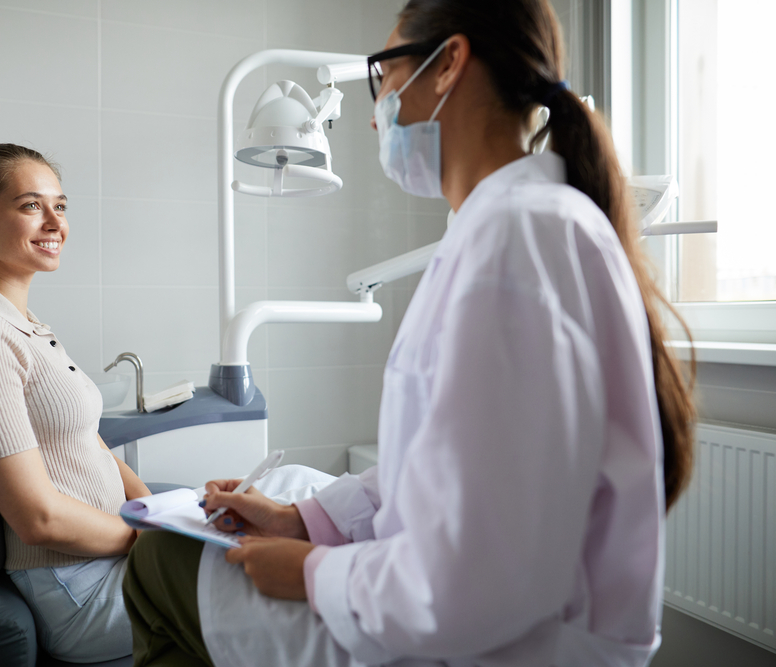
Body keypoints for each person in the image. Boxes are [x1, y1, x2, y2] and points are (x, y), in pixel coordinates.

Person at [121, 1, 696, 665]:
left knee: (159, 560)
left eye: (381, 76)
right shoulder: (502, 228)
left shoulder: (517, 240)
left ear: (448, 62)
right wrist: (301, 520)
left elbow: (475, 580)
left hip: (497, 644)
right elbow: (439, 467)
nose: (374, 113)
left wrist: (310, 570)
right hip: (465, 615)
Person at [0, 143, 149, 663]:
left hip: (106, 561)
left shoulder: (25, 327)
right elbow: (38, 521)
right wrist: (149, 541)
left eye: (61, 205)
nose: (55, 222)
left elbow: (88, 446)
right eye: (31, 206)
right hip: (81, 588)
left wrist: (160, 515)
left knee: (292, 487)